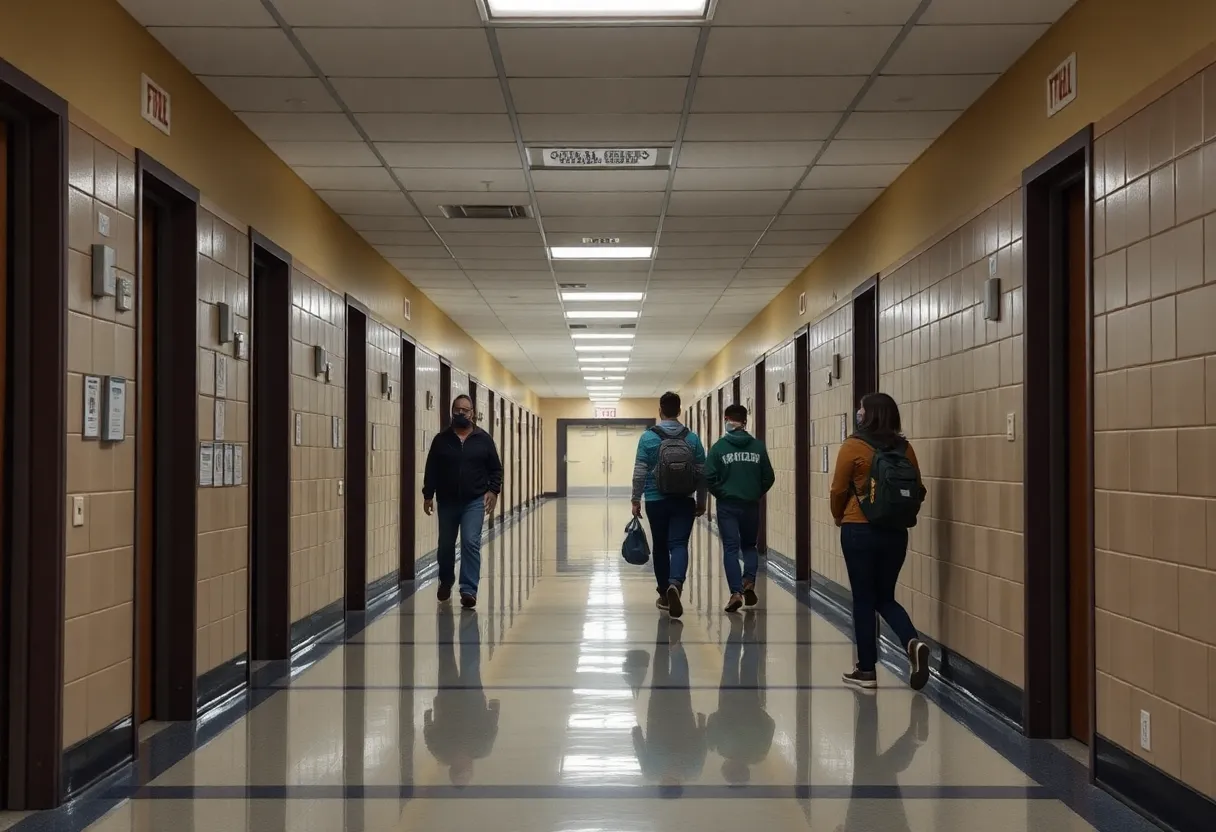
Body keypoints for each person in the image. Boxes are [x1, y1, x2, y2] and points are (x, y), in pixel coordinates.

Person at [830, 392, 930, 691]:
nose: (858, 412)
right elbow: (919, 489)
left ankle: (865, 671)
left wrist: (839, 516)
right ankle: (911, 641)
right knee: (884, 596)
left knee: (863, 599)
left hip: (858, 529)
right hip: (895, 532)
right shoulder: (905, 447)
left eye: (861, 408)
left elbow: (837, 489)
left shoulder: (853, 446)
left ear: (869, 414)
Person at [631, 391, 707, 618]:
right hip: (684, 500)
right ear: (679, 411)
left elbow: (639, 472)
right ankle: (676, 584)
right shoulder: (691, 438)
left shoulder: (648, 438)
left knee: (661, 546)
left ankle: (664, 593)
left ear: (660, 411)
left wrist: (636, 499)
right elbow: (702, 473)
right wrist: (701, 502)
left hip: (656, 500)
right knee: (679, 544)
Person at [423, 394, 502, 609]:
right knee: (445, 547)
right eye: (457, 409)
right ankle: (446, 581)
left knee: (470, 541)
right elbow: (432, 469)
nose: (460, 413)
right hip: (447, 501)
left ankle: (468, 589)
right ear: (452, 411)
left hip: (474, 500)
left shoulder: (483, 439)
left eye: (465, 410)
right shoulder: (441, 440)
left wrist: (493, 491)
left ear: (472, 413)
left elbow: (496, 468)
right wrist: (428, 495)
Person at [705, 403, 775, 613]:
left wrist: (722, 493)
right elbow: (769, 477)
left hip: (728, 506)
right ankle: (749, 582)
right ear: (745, 421)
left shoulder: (718, 448)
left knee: (730, 548)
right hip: (751, 505)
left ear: (726, 419)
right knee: (749, 546)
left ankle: (736, 593)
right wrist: (754, 492)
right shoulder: (758, 447)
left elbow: (708, 476)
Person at [423, 608, 500, 786]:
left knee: (470, 661)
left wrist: (495, 707)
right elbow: (429, 732)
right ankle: (445, 614)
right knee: (447, 656)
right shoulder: (441, 753)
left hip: (470, 698)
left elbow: (492, 722)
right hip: (448, 699)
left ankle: (467, 620)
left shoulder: (482, 748)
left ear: (468, 769)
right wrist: (428, 716)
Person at [706, 612, 775, 785]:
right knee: (730, 662)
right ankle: (736, 631)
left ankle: (750, 634)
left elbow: (770, 724)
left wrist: (757, 712)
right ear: (727, 767)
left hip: (751, 700)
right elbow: (713, 719)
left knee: (750, 664)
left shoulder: (759, 753)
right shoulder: (721, 748)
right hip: (728, 699)